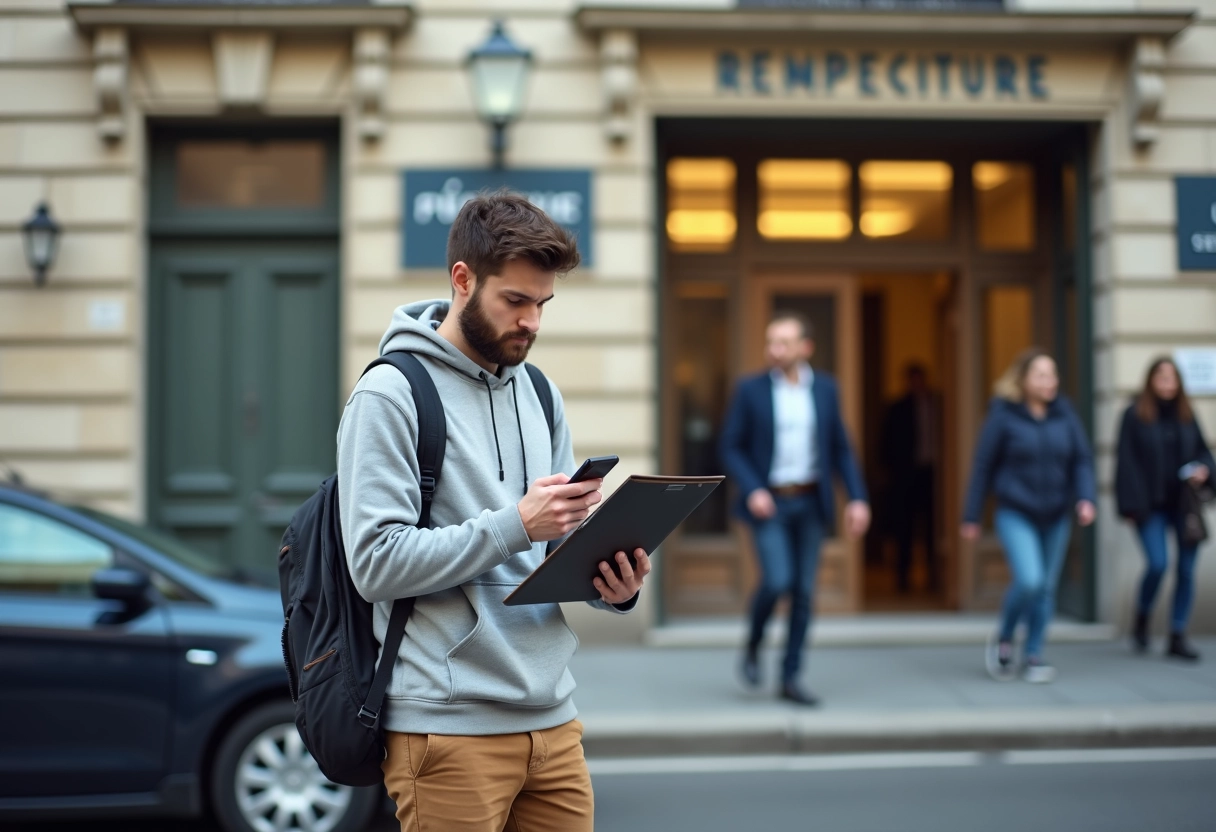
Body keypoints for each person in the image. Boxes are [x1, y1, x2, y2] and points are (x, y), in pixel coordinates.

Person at [337, 191, 650, 831]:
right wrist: (517, 525)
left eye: (543, 304)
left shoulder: (538, 391)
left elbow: (554, 544)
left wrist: (610, 583)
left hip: (553, 721)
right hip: (447, 729)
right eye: (516, 300)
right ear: (463, 280)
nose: (532, 320)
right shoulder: (390, 394)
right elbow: (374, 565)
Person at [720, 312, 870, 706]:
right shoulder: (750, 389)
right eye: (771, 342)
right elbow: (730, 446)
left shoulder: (825, 389)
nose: (775, 350)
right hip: (769, 504)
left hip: (809, 502)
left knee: (803, 593)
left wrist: (857, 497)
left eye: (784, 342)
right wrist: (753, 489)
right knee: (777, 581)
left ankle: (790, 677)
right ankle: (753, 643)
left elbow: (840, 447)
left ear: (805, 347)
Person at [961, 348, 1096, 684]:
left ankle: (1033, 654)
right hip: (1015, 511)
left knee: (1046, 589)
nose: (1049, 382)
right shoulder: (1003, 416)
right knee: (1030, 581)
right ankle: (1005, 637)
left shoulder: (1065, 414)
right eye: (1040, 375)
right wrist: (971, 515)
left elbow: (1081, 460)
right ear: (1022, 379)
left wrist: (1085, 498)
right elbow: (983, 467)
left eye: (1052, 375)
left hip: (1056, 514)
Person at [1116, 357, 1214, 662]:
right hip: (1150, 506)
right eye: (1161, 377)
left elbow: (1205, 453)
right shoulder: (1135, 415)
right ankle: (1143, 617)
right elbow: (1126, 462)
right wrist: (1131, 506)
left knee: (1185, 570)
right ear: (1150, 381)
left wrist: (1204, 471)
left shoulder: (1187, 415)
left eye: (1172, 378)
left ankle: (1177, 634)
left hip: (1184, 506)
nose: (1167, 384)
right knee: (1157, 564)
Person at [880, 363, 941, 594]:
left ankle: (935, 578)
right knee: (903, 529)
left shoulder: (938, 406)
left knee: (932, 528)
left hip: (932, 475)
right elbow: (885, 444)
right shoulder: (897, 408)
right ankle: (902, 578)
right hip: (905, 476)